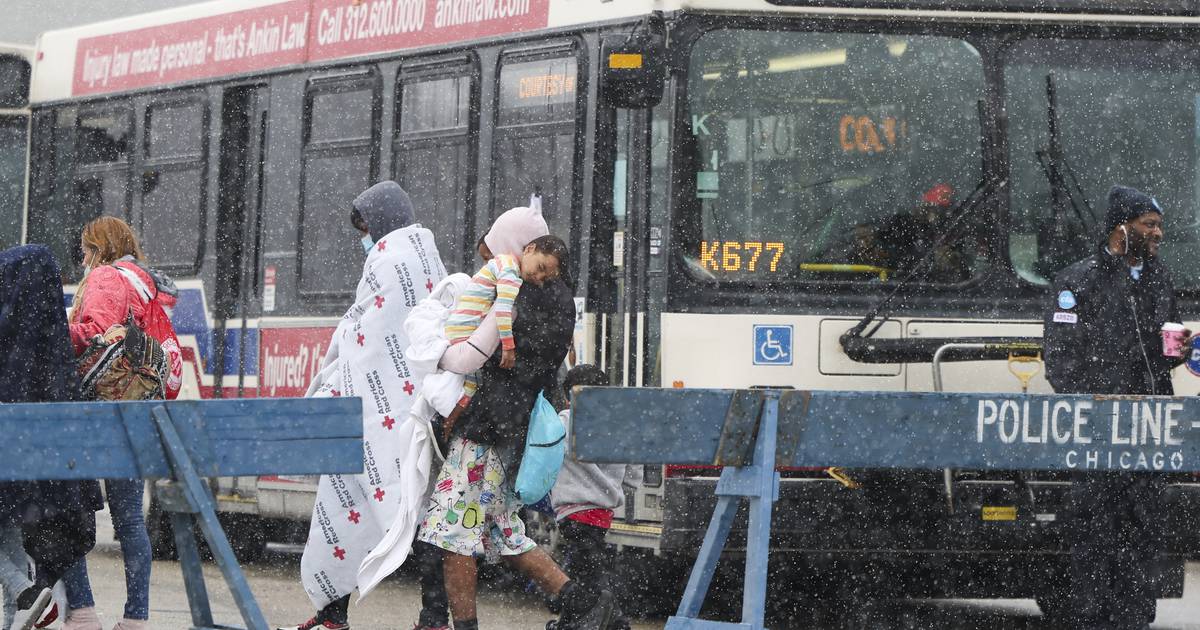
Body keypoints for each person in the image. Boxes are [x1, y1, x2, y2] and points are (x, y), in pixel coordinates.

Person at [280, 181, 451, 630]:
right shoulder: (425, 258)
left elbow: (366, 339)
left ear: (380, 223)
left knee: (347, 505)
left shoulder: (389, 262)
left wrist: (331, 388)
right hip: (420, 416)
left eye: (365, 228)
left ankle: (334, 612)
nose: (364, 238)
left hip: (376, 414)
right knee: (419, 512)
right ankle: (433, 614)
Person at [418, 263, 617, 630]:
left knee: (451, 535)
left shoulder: (511, 300)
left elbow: (467, 359)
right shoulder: (552, 303)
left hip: (485, 436)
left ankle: (465, 625)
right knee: (503, 531)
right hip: (509, 436)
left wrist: (435, 355)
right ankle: (584, 602)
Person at [1043, 185, 1182, 630]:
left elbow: (1159, 347)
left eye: (1159, 224)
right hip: (1097, 429)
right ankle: (1092, 617)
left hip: (1148, 428)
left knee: (1145, 528)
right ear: (1122, 227)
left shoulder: (1160, 278)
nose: (1159, 233)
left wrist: (1178, 354)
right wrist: (1092, 406)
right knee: (1094, 528)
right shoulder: (1076, 281)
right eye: (1150, 224)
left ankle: (1134, 618)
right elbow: (1060, 357)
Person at [61, 217, 181, 630]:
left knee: (69, 509)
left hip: (98, 412)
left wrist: (55, 330)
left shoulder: (106, 278)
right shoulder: (146, 284)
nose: (82, 258)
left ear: (100, 248)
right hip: (135, 408)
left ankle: (82, 612)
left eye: (85, 248)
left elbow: (96, 333)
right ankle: (136, 618)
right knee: (129, 518)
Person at [0, 245, 103, 630]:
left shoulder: (9, 341)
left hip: (14, 476)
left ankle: (23, 591)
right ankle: (22, 602)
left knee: (6, 522)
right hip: (46, 484)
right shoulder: (52, 347)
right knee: (8, 526)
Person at [549, 365, 642, 630]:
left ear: (568, 396)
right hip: (602, 513)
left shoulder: (564, 421)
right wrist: (617, 485)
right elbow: (634, 474)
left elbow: (547, 457)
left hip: (572, 510)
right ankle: (584, 620)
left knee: (587, 575)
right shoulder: (619, 423)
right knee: (588, 568)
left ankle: (608, 622)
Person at [440, 208, 559, 402]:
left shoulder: (504, 271)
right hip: (468, 339)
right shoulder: (512, 274)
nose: (538, 278)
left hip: (458, 335)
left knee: (457, 389)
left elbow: (466, 358)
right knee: (465, 389)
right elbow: (502, 311)